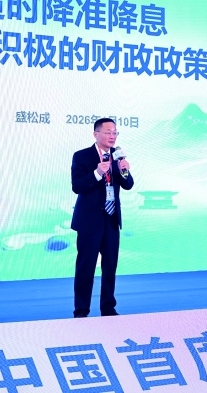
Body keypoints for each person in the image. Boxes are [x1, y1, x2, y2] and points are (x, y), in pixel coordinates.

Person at [71, 118, 133, 317]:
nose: (112, 136)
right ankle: (81, 310)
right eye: (108, 132)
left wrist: (124, 171)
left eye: (115, 133)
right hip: (89, 221)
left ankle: (108, 307)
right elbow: (77, 186)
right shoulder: (82, 156)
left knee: (110, 266)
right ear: (96, 134)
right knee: (86, 267)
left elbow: (128, 185)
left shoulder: (117, 156)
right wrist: (97, 173)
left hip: (111, 219)